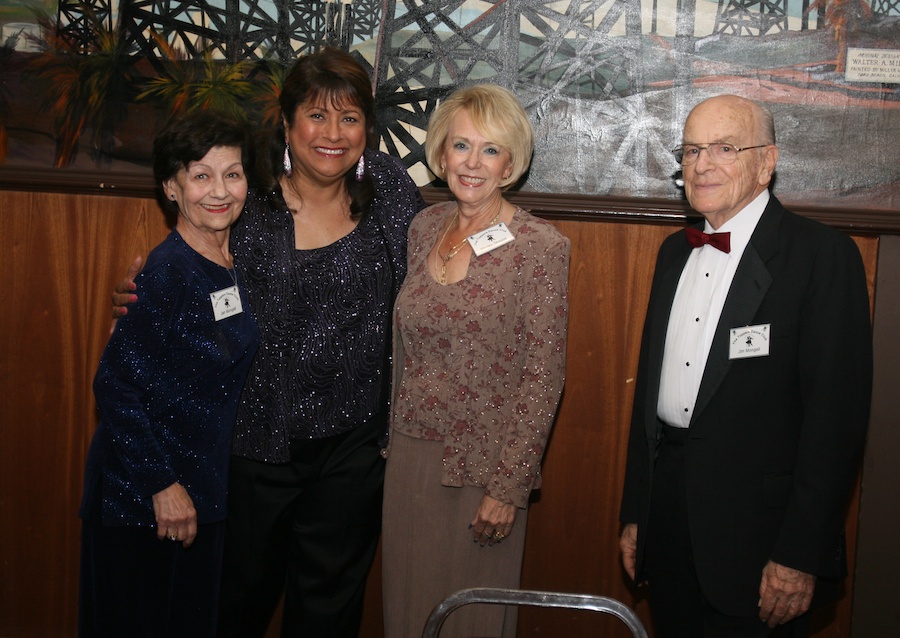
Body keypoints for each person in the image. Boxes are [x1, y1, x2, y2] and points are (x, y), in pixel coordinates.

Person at [113, 47, 424, 637]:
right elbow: (185, 270)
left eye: (350, 118)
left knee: (329, 611)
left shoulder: (387, 189)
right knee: (236, 603)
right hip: (251, 444)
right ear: (286, 124)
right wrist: (136, 297)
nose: (333, 134)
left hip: (354, 448)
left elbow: (436, 276)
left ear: (368, 130)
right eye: (316, 115)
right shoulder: (245, 197)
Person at [618, 94, 873, 637]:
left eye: (724, 147)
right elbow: (650, 403)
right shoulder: (672, 253)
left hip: (762, 545)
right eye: (690, 150)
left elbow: (837, 423)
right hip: (670, 526)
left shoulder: (821, 258)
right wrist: (638, 513)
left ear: (767, 161)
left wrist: (799, 554)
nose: (702, 164)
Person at [381, 84, 570, 638]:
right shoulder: (422, 230)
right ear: (441, 154)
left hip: (484, 471)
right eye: (461, 146)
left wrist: (508, 487)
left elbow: (544, 375)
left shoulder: (540, 246)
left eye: (490, 150)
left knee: (472, 623)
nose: (472, 162)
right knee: (407, 614)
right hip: (411, 460)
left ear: (510, 164)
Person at [79, 110, 260, 638]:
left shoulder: (229, 263)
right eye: (201, 175)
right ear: (171, 188)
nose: (220, 191)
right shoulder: (167, 272)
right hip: (143, 500)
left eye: (233, 173)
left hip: (200, 490)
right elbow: (113, 386)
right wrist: (163, 485)